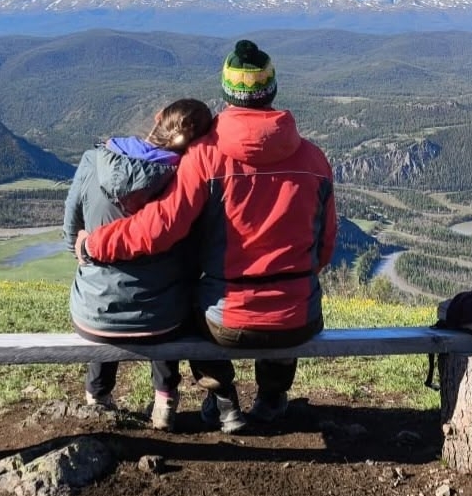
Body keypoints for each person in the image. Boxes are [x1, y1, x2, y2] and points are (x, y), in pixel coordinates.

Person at [78, 39, 337, 434]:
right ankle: (271, 398)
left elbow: (158, 228)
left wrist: (94, 243)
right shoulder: (314, 160)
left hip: (226, 318)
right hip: (299, 316)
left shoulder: (204, 156)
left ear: (227, 93)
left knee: (189, 308)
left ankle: (224, 400)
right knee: (286, 310)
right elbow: (324, 247)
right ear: (272, 92)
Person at [63, 97, 215, 431]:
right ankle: (165, 397)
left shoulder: (93, 160)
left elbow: (69, 230)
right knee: (168, 292)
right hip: (163, 321)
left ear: (158, 118)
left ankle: (98, 396)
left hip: (93, 319)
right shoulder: (186, 181)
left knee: (102, 293)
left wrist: (85, 251)